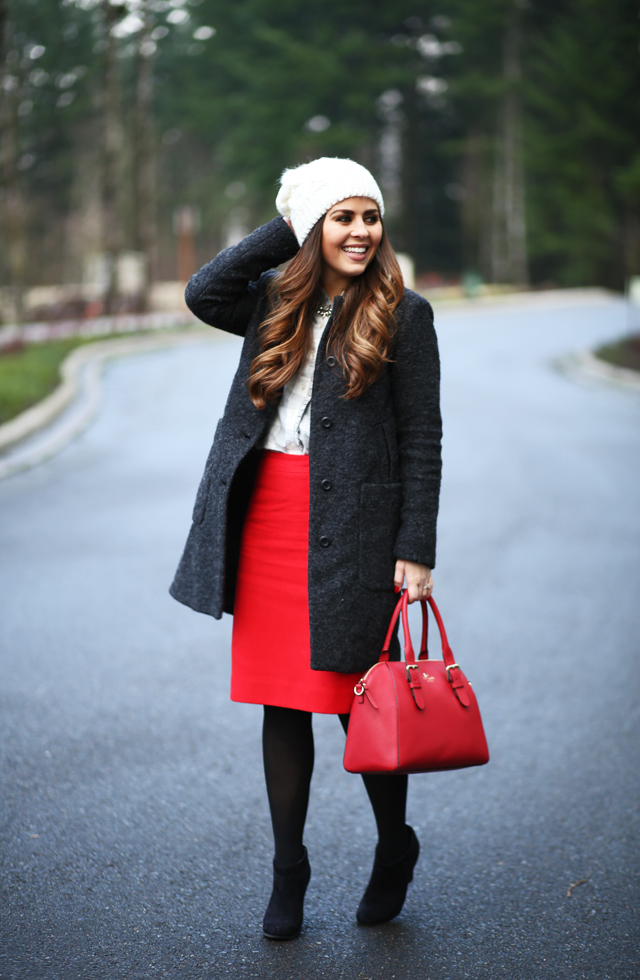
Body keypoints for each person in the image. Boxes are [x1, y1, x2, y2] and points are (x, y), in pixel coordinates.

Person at [170, 157, 442, 940]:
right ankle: (290, 872)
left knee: (362, 702)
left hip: (357, 527)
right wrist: (287, 224)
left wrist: (414, 545)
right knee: (282, 702)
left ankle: (394, 847)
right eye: (342, 217)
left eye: (370, 217)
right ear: (313, 227)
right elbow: (202, 291)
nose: (361, 232)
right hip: (271, 520)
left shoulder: (404, 313)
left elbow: (422, 436)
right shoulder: (270, 302)